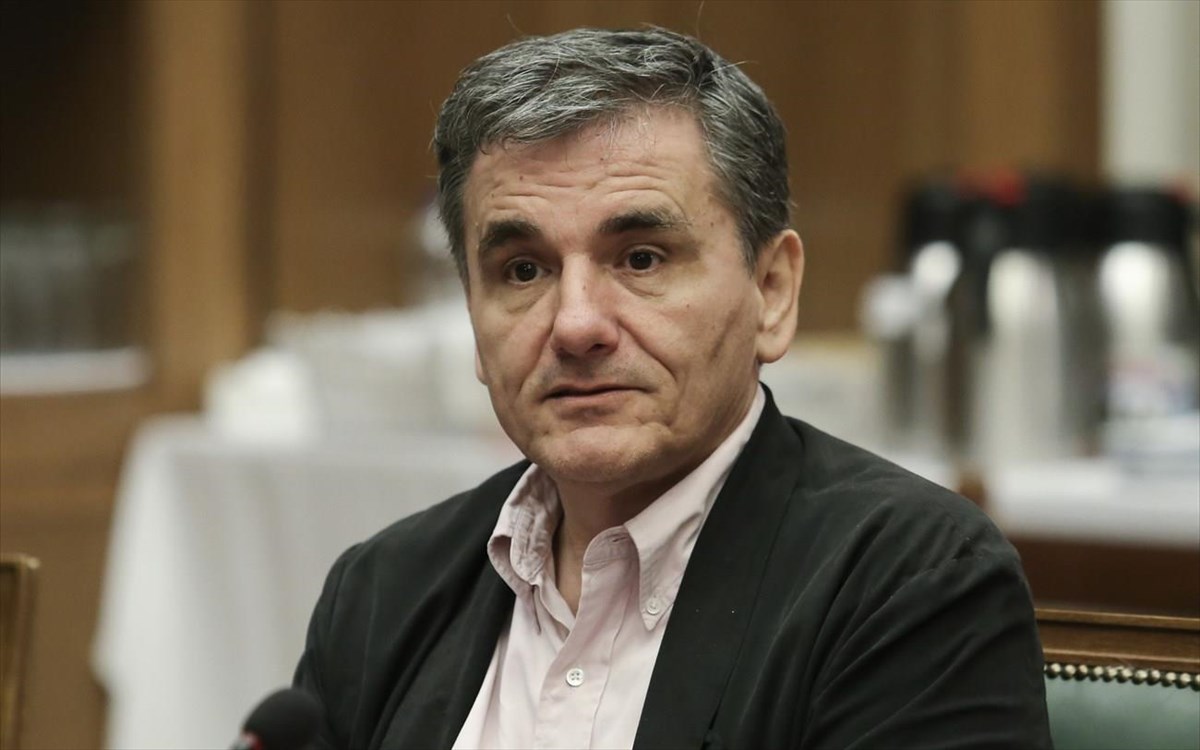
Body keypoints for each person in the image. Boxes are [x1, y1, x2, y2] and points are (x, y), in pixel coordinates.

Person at [293, 27, 1051, 749]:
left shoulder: (908, 582)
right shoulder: (382, 593)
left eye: (642, 259)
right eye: (523, 271)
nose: (576, 325)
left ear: (772, 292)